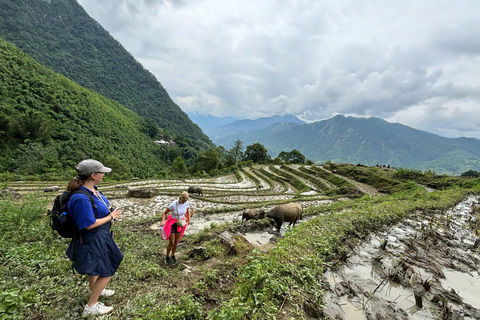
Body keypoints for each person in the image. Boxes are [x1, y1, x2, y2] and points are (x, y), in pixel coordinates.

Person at [65, 159, 123, 317]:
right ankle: (91, 306)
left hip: (101, 235)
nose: (103, 175)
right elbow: (88, 224)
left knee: (96, 266)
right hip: (93, 237)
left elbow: (98, 210)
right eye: (101, 172)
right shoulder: (81, 198)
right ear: (93, 175)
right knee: (109, 265)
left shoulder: (94, 191)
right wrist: (111, 216)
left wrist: (108, 213)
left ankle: (96, 289)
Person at [161, 191, 195, 264]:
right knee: (172, 242)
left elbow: (186, 212)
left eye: (185, 201)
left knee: (177, 242)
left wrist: (188, 219)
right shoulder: (173, 204)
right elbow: (164, 213)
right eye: (183, 200)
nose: (184, 202)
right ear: (180, 198)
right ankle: (167, 256)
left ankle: (173, 255)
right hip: (172, 223)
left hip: (179, 223)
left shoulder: (186, 203)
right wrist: (163, 221)